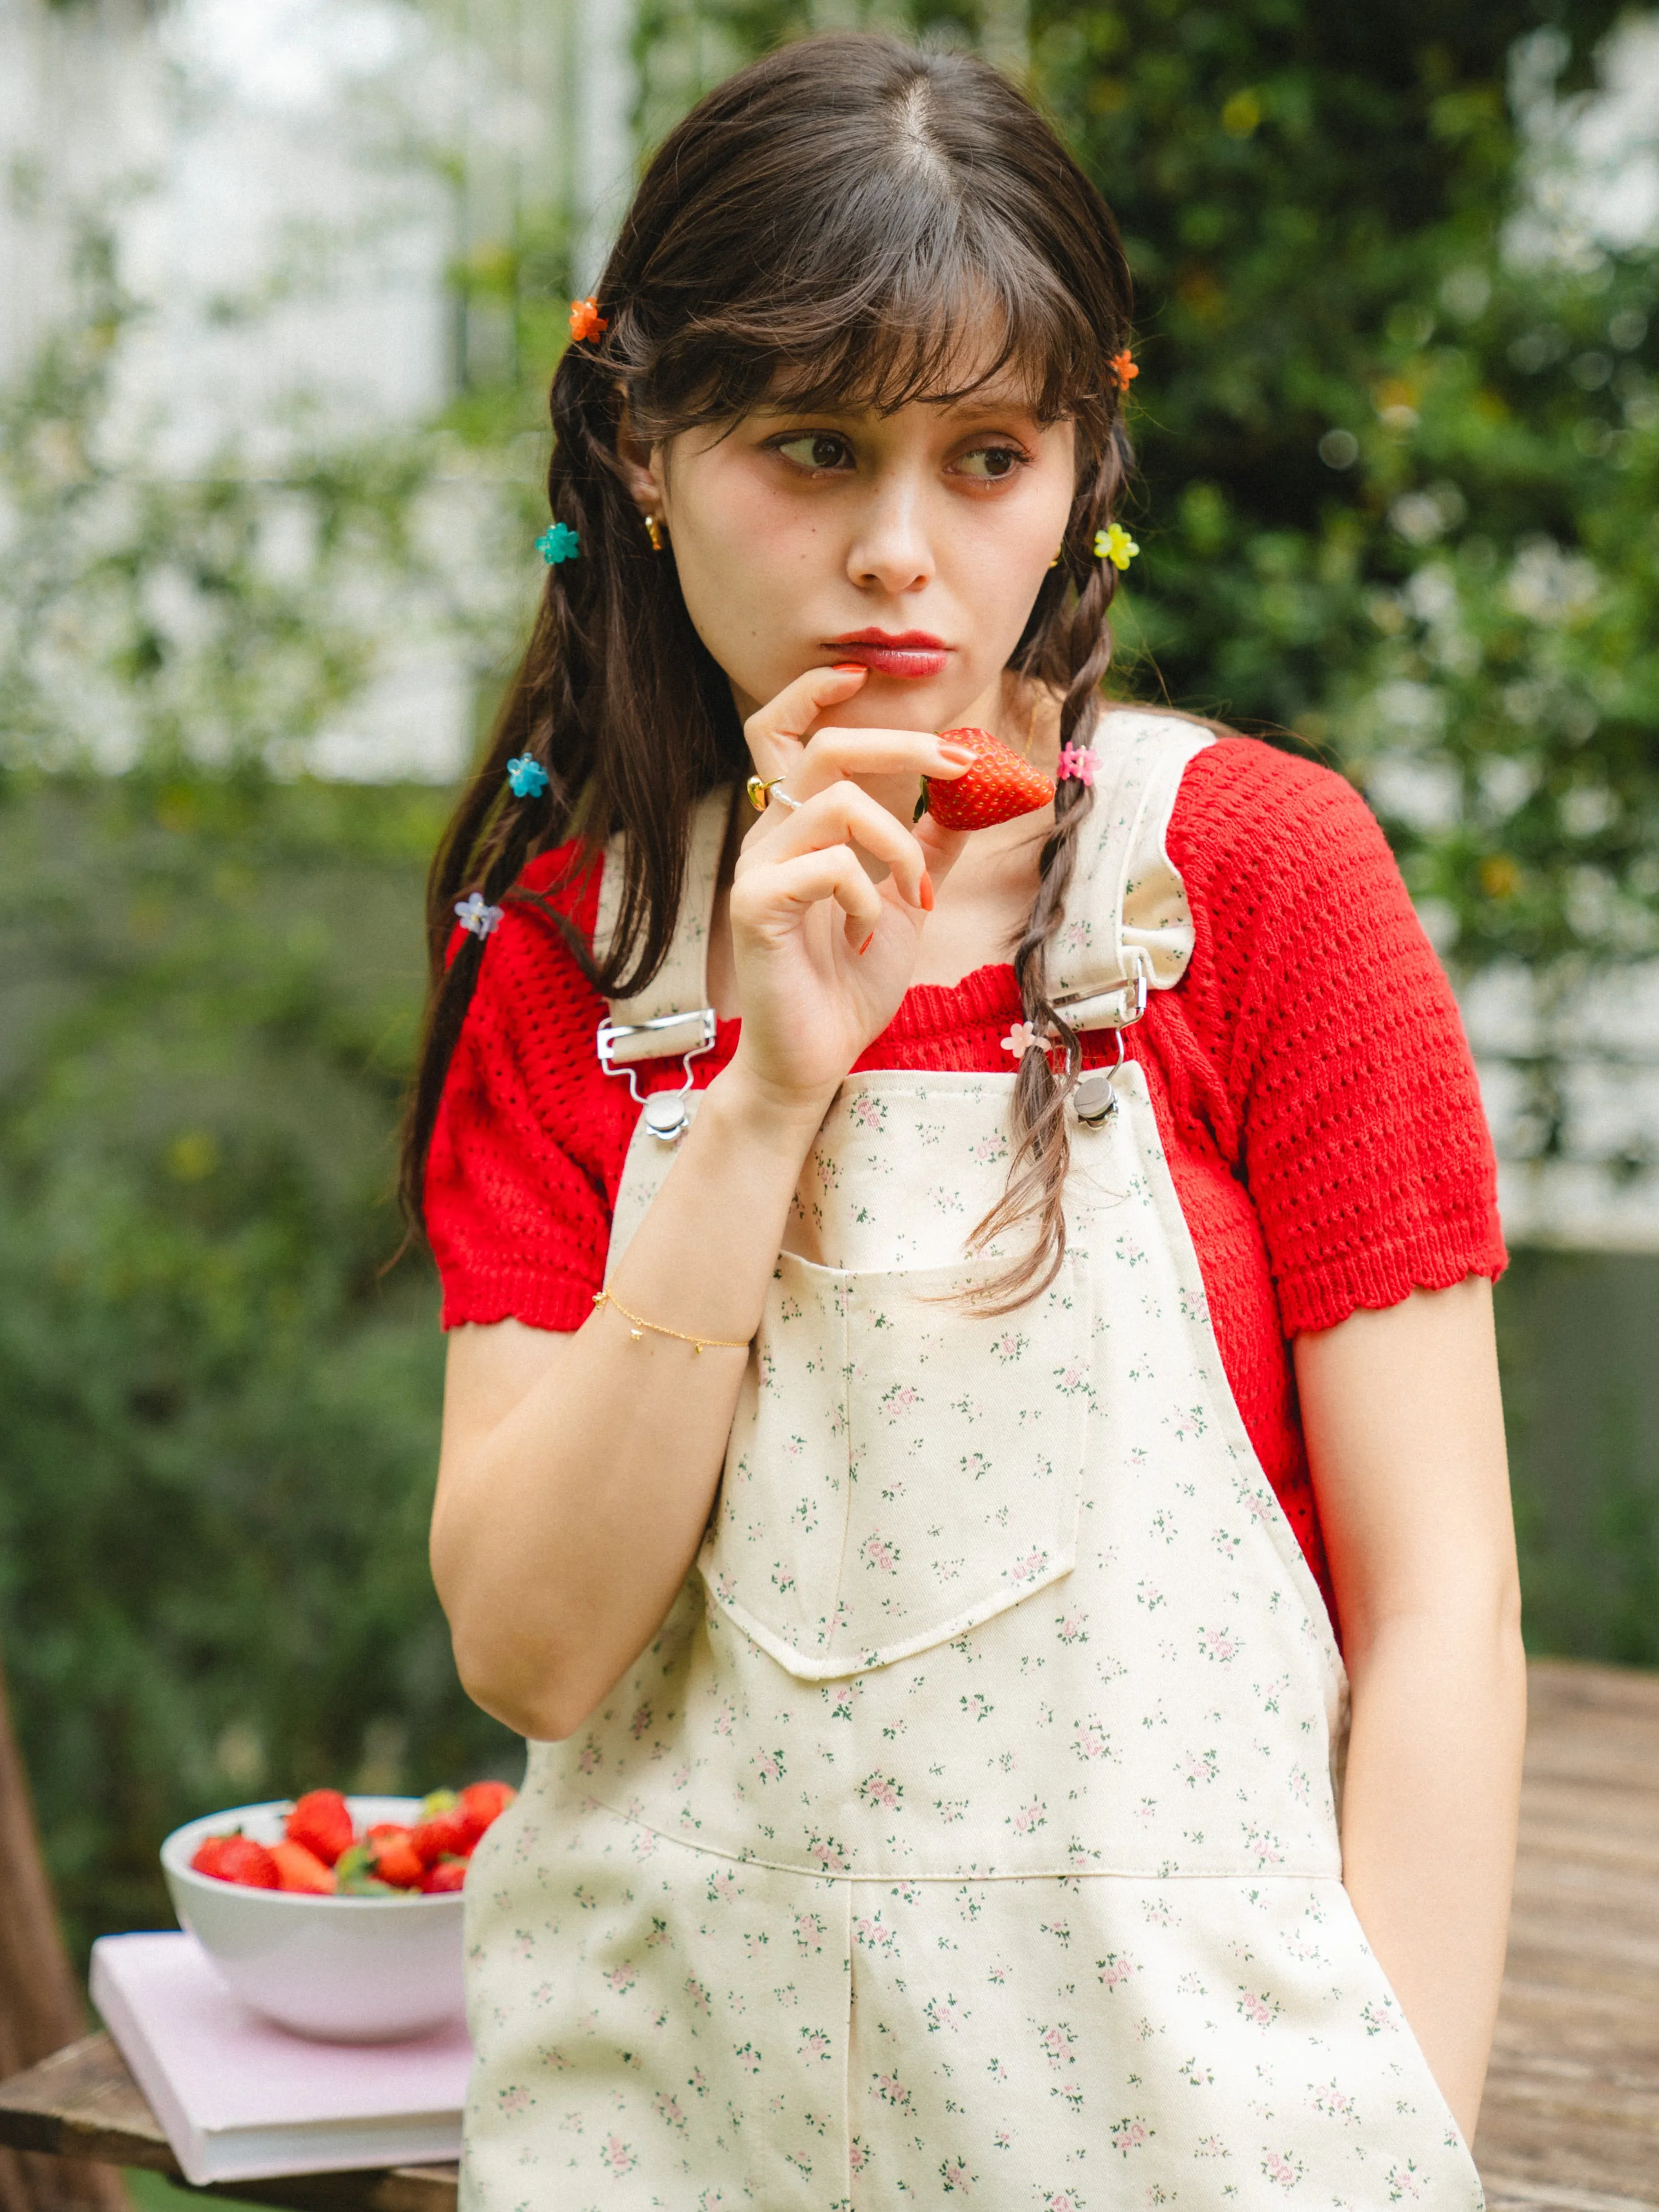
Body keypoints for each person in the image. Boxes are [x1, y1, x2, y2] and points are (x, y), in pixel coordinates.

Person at [407, 33, 1524, 2208]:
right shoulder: (579, 956)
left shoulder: (1253, 886)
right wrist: (753, 1103)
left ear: (1082, 455)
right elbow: (530, 1645)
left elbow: (1442, 1610)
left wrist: (1399, 2139)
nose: (898, 554)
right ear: (644, 449)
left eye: (984, 455)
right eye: (810, 450)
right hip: (685, 2134)